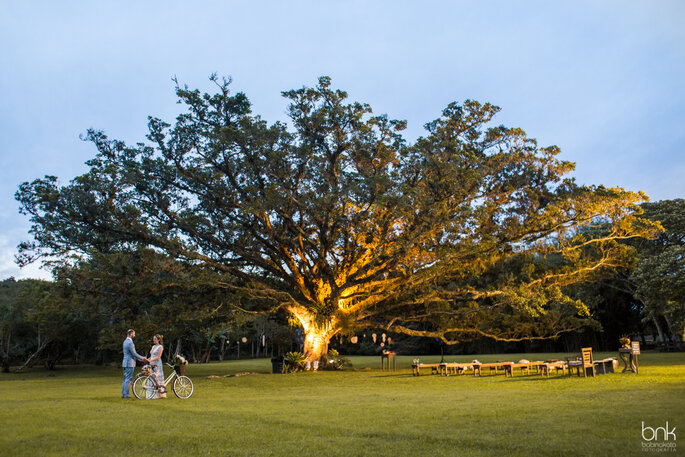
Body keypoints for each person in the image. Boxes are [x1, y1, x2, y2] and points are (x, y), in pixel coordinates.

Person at [122, 329, 147, 399]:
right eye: (134, 334)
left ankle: (124, 394)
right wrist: (142, 358)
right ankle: (126, 395)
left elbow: (130, 354)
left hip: (125, 362)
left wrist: (138, 359)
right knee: (128, 379)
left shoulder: (125, 341)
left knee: (125, 379)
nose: (134, 335)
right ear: (131, 334)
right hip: (129, 363)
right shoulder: (130, 343)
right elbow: (134, 353)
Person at [148, 334, 166, 399]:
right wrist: (148, 359)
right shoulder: (153, 347)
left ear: (158, 340)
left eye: (155, 339)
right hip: (152, 364)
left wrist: (151, 360)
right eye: (153, 339)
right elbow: (151, 355)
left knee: (158, 378)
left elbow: (158, 357)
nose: (154, 340)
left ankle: (160, 393)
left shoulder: (160, 347)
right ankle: (151, 394)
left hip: (157, 364)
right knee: (152, 378)